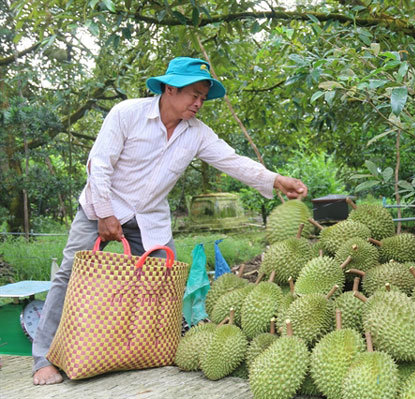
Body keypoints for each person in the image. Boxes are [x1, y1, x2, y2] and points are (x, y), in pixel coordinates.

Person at [32, 57, 308, 385]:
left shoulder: (197, 134)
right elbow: (100, 164)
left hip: (150, 219)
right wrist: (105, 213)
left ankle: (149, 349)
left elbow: (233, 162)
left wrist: (278, 180)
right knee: (70, 275)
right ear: (169, 88)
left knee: (163, 283)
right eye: (193, 94)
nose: (198, 103)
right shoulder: (127, 114)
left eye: (203, 98)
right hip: (101, 208)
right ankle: (44, 357)